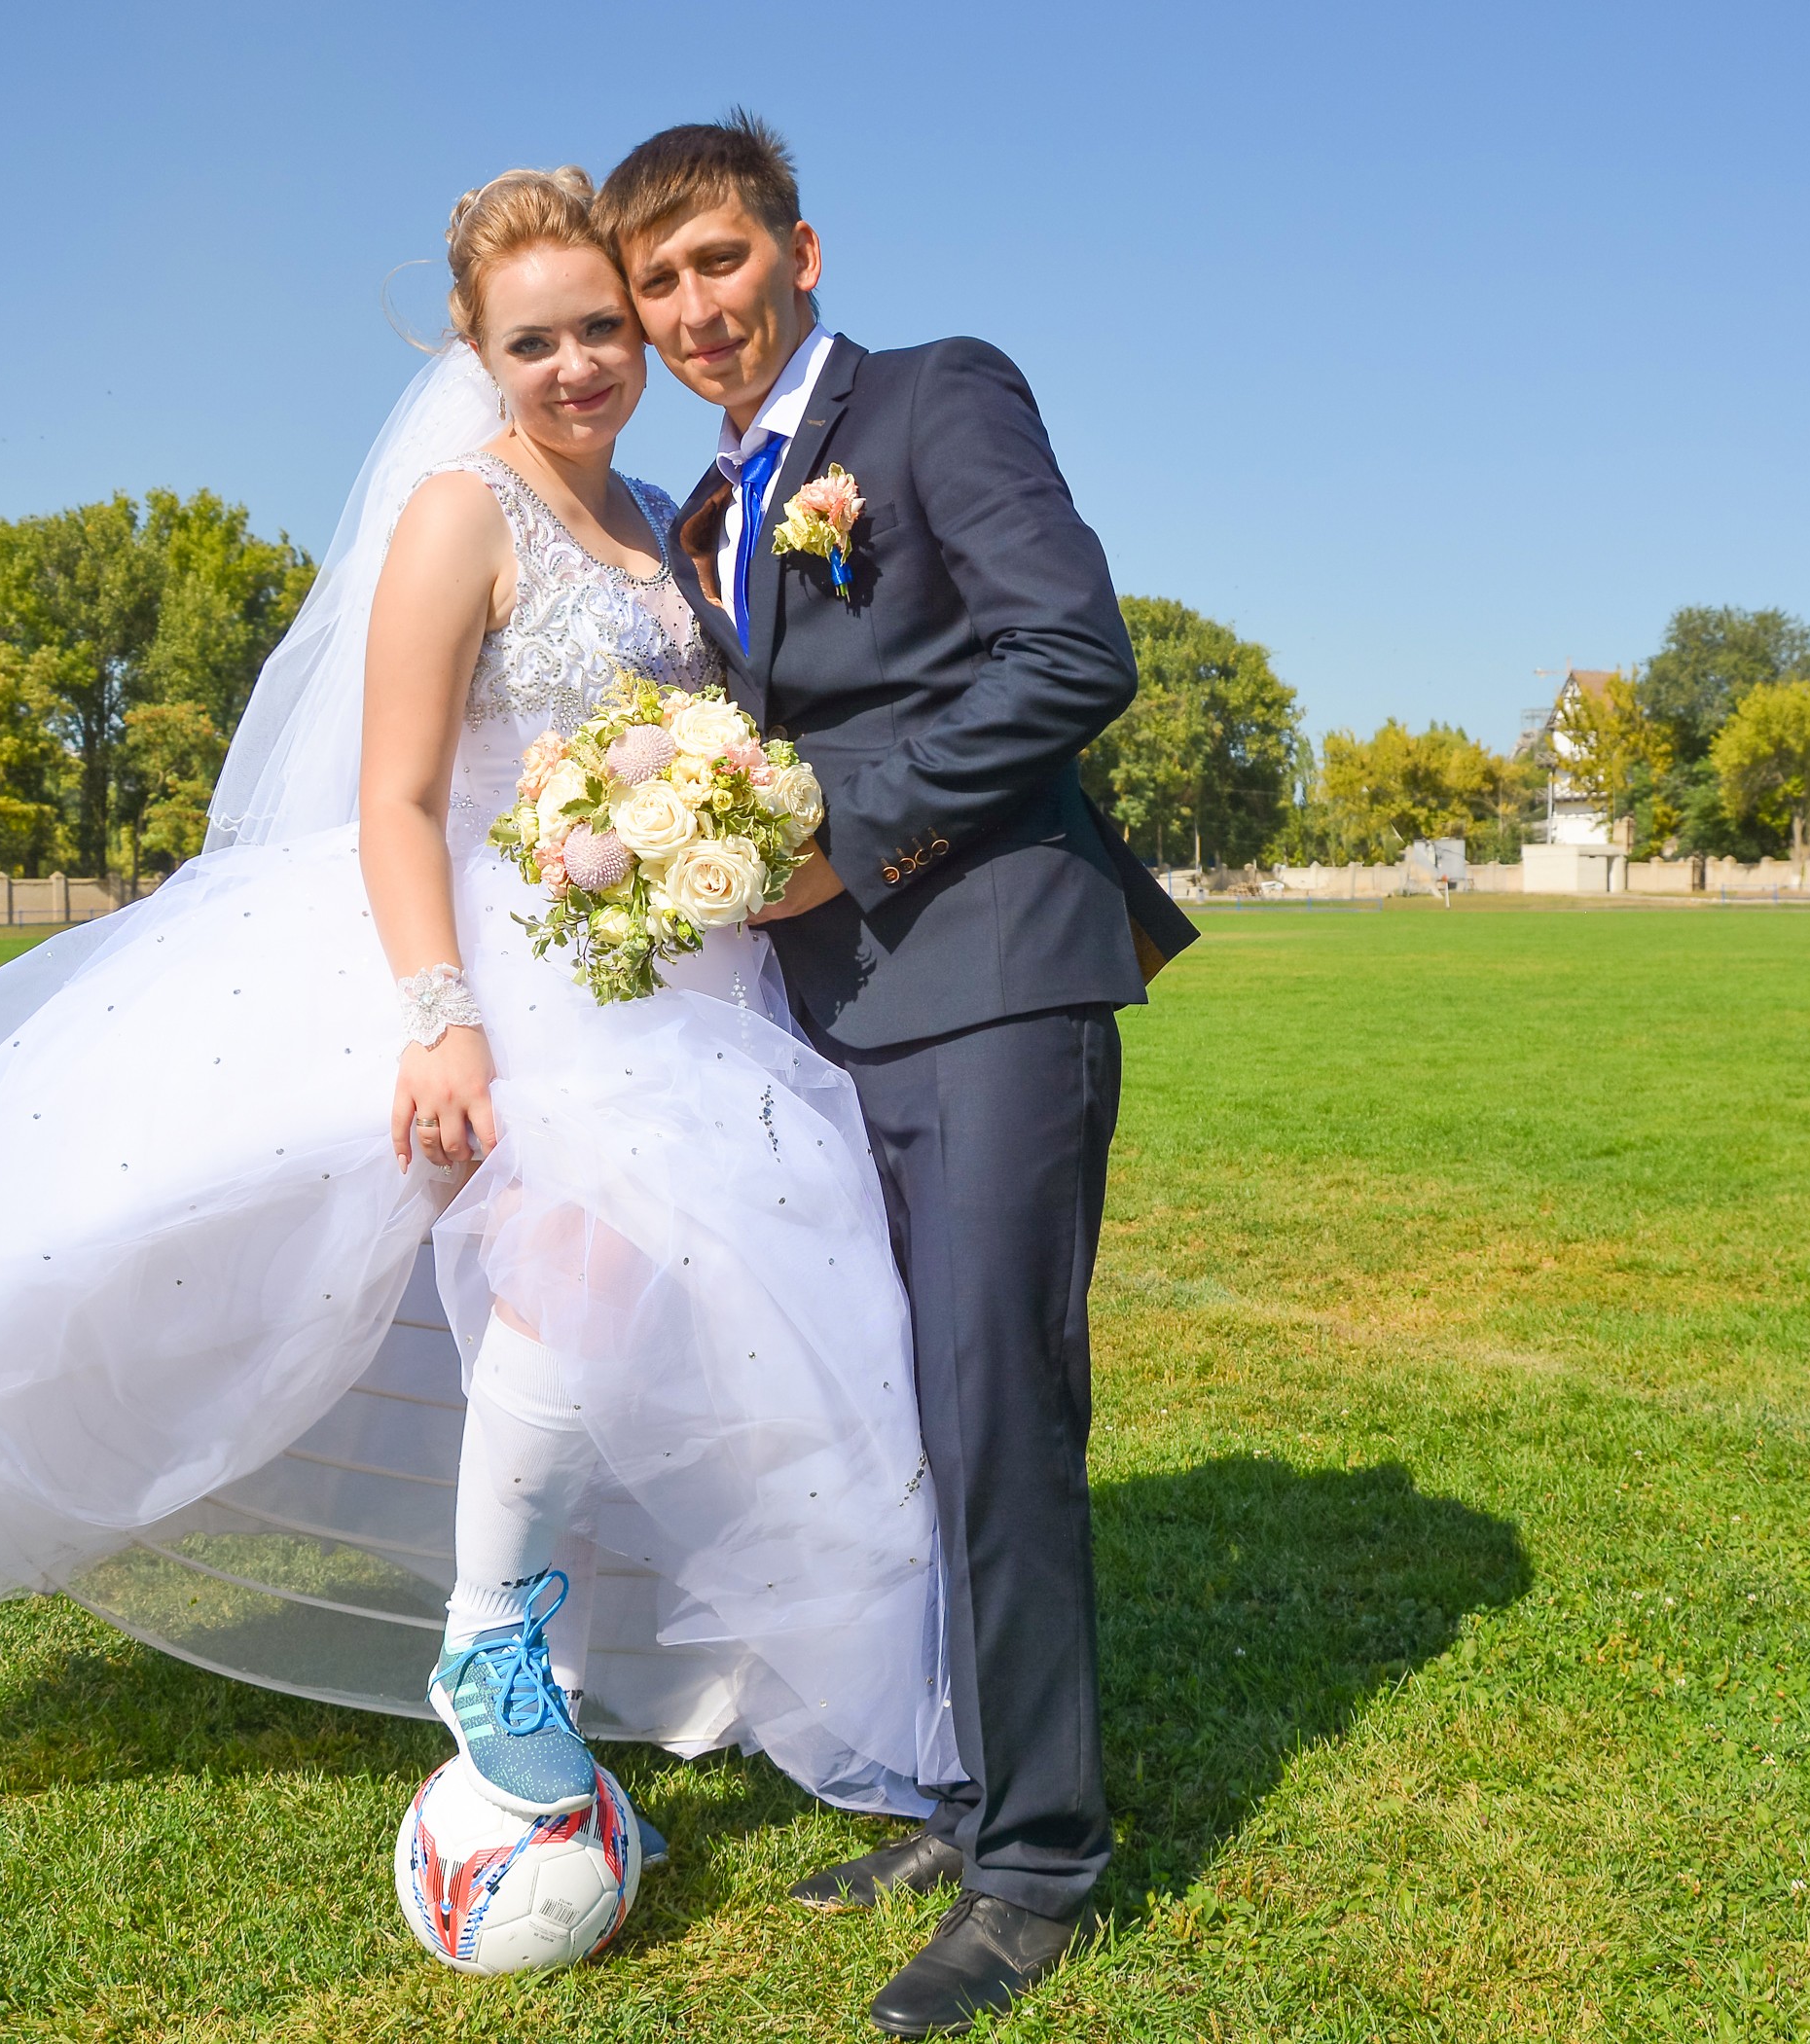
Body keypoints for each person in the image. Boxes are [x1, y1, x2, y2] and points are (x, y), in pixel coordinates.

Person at [0, 167, 956, 1854]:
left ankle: (629, 1663)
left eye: (604, 326)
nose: (581, 363)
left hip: (686, 968)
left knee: (704, 1306)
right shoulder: (461, 512)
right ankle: (492, 1639)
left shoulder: (668, 511)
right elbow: (397, 795)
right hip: (514, 960)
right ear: (478, 350)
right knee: (577, 1252)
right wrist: (440, 1012)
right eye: (536, 341)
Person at [597, 114, 1200, 2038]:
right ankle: (964, 1791)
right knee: (901, 1415)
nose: (693, 308)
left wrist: (837, 829)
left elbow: (1068, 653)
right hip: (827, 1017)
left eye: (717, 260)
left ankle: (1040, 1866)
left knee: (996, 1407)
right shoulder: (706, 513)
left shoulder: (937, 397)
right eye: (656, 284)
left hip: (1001, 975)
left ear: (798, 251)